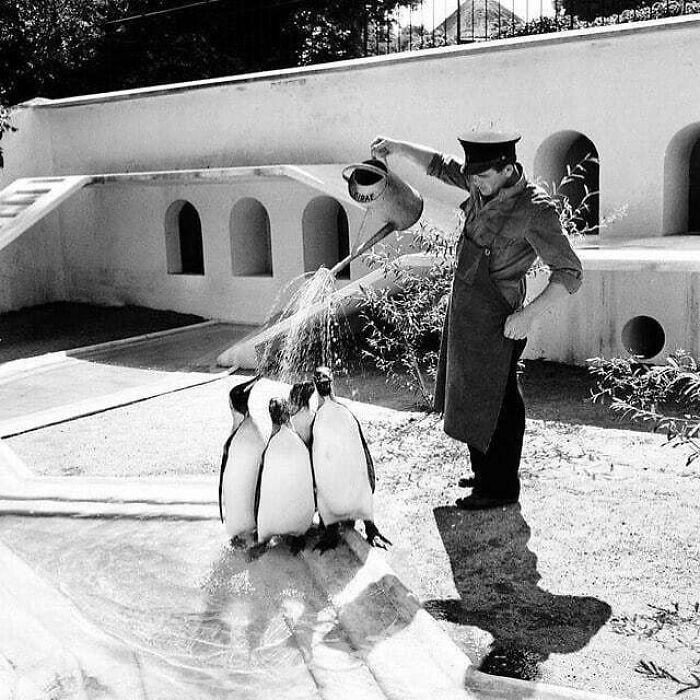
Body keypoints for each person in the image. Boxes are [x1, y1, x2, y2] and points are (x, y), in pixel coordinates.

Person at [370, 132, 583, 510]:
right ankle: (485, 472)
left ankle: (500, 487)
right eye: (474, 177)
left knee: (498, 399)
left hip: (498, 312)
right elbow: (439, 165)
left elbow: (569, 272)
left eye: (484, 177)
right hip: (468, 303)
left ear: (508, 168)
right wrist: (399, 147)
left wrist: (527, 316)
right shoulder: (480, 178)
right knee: (470, 390)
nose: (476, 183)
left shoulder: (535, 211)